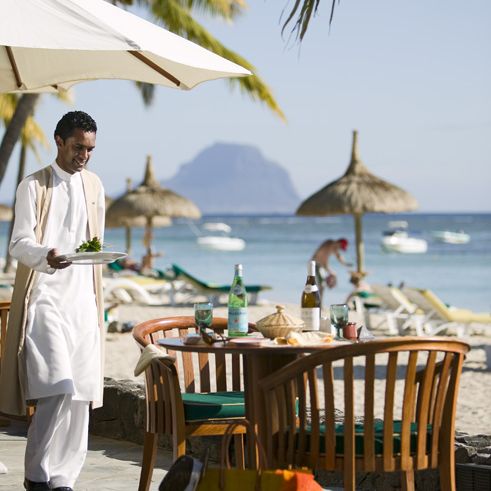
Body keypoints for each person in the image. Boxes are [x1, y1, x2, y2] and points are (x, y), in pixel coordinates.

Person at [0, 111, 105, 491]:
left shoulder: (94, 186)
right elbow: (18, 243)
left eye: (90, 149)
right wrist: (48, 255)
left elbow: (95, 242)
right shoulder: (33, 186)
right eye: (78, 147)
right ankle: (36, 474)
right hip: (44, 297)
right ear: (58, 141)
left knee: (80, 395)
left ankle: (64, 479)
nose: (84, 155)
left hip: (83, 300)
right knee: (56, 387)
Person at [311, 238, 352, 305]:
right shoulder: (328, 245)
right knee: (322, 285)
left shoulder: (333, 247)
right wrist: (330, 271)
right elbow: (324, 261)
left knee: (322, 285)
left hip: (320, 265)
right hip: (315, 264)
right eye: (340, 247)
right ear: (338, 243)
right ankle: (318, 304)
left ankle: (319, 303)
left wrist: (346, 264)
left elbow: (339, 256)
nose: (339, 249)